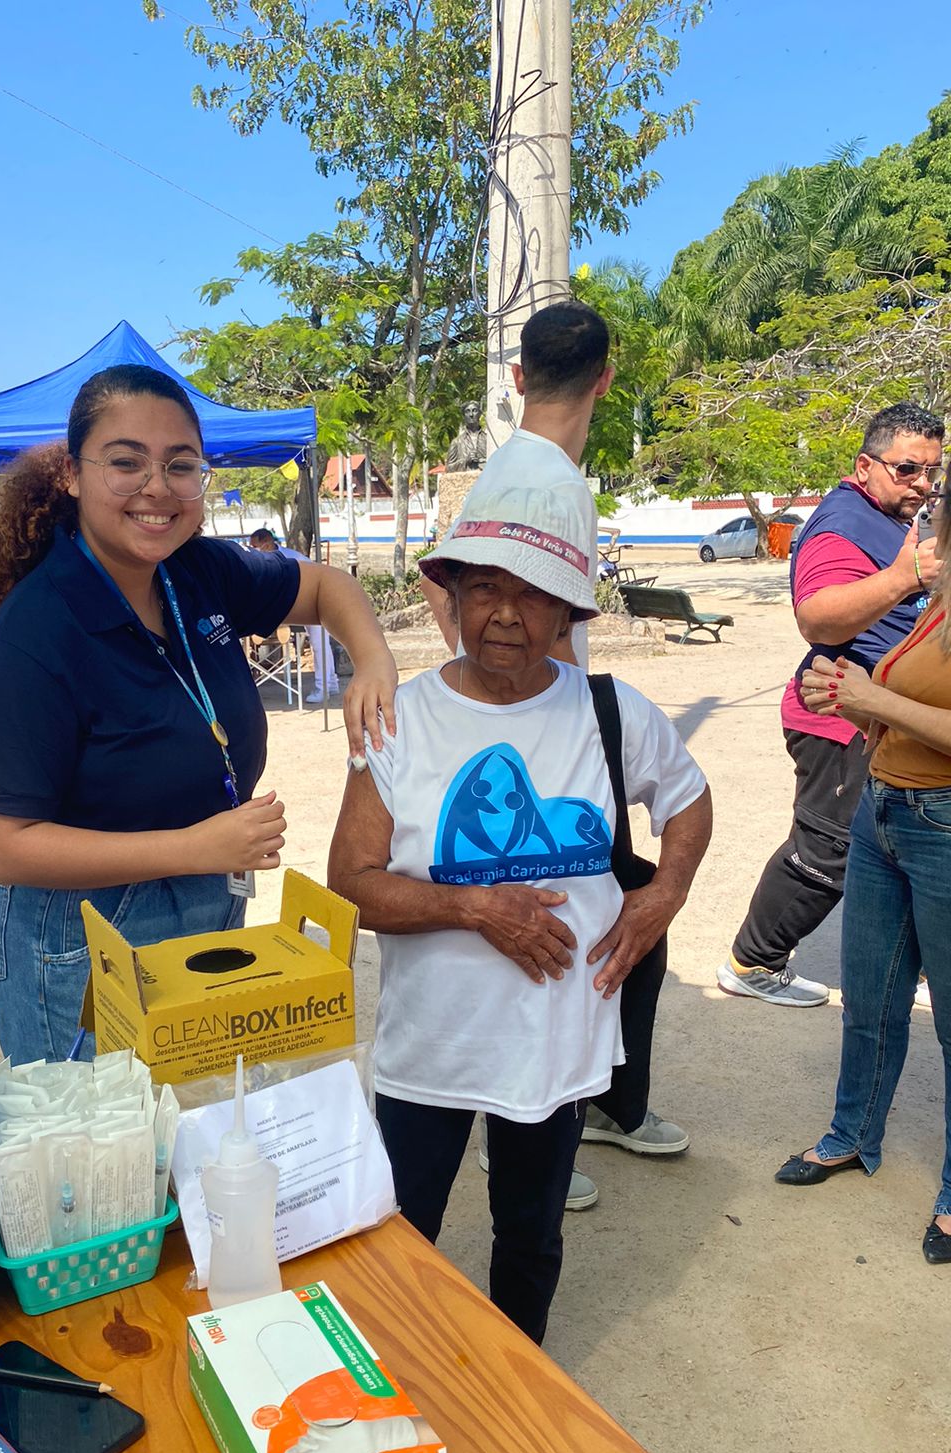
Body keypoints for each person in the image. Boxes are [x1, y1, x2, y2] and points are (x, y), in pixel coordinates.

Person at [327, 480, 711, 1343]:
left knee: (531, 1236)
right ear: (452, 598)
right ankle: (398, 1384)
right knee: (401, 1233)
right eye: (488, 589)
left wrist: (664, 895)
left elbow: (688, 800)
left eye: (535, 593)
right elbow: (352, 881)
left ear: (569, 610)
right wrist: (473, 908)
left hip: (555, 1041)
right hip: (433, 1046)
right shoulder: (400, 722)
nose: (509, 613)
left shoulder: (610, 713)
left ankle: (519, 1382)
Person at [0, 363, 397, 1065]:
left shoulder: (195, 571)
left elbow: (327, 586)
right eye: (126, 462)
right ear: (71, 474)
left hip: (201, 897)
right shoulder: (37, 634)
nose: (157, 488)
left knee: (192, 1138)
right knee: (108, 1159)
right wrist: (195, 848)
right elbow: (3, 845)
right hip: (77, 937)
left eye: (180, 465)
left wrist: (372, 659)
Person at [426, 302, 688, 1204]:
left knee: (614, 931)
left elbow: (448, 595)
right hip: (556, 741)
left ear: (518, 377)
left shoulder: (507, 470)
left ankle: (598, 1104)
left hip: (555, 730)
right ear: (606, 379)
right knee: (584, 931)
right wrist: (530, 710)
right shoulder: (555, 487)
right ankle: (540, 1127)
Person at [774, 468, 951, 1264]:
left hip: (942, 826)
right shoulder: (936, 596)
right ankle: (851, 1132)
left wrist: (873, 703)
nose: (926, 510)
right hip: (886, 811)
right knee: (870, 999)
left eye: (937, 502)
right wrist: (850, 691)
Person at [719, 404, 944, 1007]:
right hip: (837, 712)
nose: (921, 484)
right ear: (865, 466)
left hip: (886, 712)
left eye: (931, 472)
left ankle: (916, 958)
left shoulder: (895, 516)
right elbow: (816, 616)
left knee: (900, 839)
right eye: (907, 470)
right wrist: (903, 578)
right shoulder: (842, 522)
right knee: (828, 848)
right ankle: (752, 961)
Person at [247, 527, 337, 704]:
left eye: (255, 546)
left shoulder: (291, 558)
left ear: (266, 543)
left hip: (316, 600)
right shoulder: (263, 560)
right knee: (320, 644)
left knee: (320, 645)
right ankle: (331, 682)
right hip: (298, 604)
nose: (252, 549)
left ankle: (323, 687)